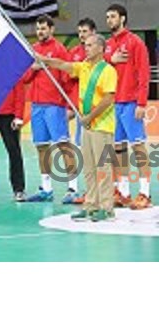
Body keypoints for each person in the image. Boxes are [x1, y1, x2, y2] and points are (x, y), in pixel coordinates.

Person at [40, 35, 118, 222]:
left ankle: (107, 208)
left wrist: (90, 116)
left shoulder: (108, 70)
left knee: (103, 168)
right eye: (85, 45)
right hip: (87, 127)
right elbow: (63, 65)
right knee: (89, 168)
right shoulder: (83, 67)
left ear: (101, 48)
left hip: (103, 127)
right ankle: (91, 205)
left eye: (90, 45)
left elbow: (109, 98)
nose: (86, 48)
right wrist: (44, 60)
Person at [22, 15, 79, 203]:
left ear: (52, 29)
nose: (40, 32)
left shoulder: (60, 50)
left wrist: (70, 105)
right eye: (38, 29)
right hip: (37, 106)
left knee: (63, 145)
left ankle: (73, 187)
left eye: (44, 28)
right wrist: (34, 68)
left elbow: (68, 79)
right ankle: (46, 188)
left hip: (54, 106)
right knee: (41, 147)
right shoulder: (34, 50)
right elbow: (24, 78)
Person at [105, 4, 152, 209]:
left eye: (113, 16)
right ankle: (123, 192)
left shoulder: (135, 43)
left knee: (138, 147)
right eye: (107, 17)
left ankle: (144, 193)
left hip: (132, 102)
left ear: (123, 18)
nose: (109, 20)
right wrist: (110, 59)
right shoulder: (107, 45)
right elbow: (99, 65)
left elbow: (144, 74)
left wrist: (142, 102)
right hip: (114, 103)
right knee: (118, 149)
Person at [65, 18, 97, 204]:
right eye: (80, 32)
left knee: (102, 149)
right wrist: (71, 106)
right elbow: (69, 82)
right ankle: (77, 189)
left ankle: (108, 189)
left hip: (101, 110)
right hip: (81, 111)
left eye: (85, 31)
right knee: (79, 147)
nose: (82, 35)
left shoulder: (102, 53)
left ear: (93, 32)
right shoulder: (75, 54)